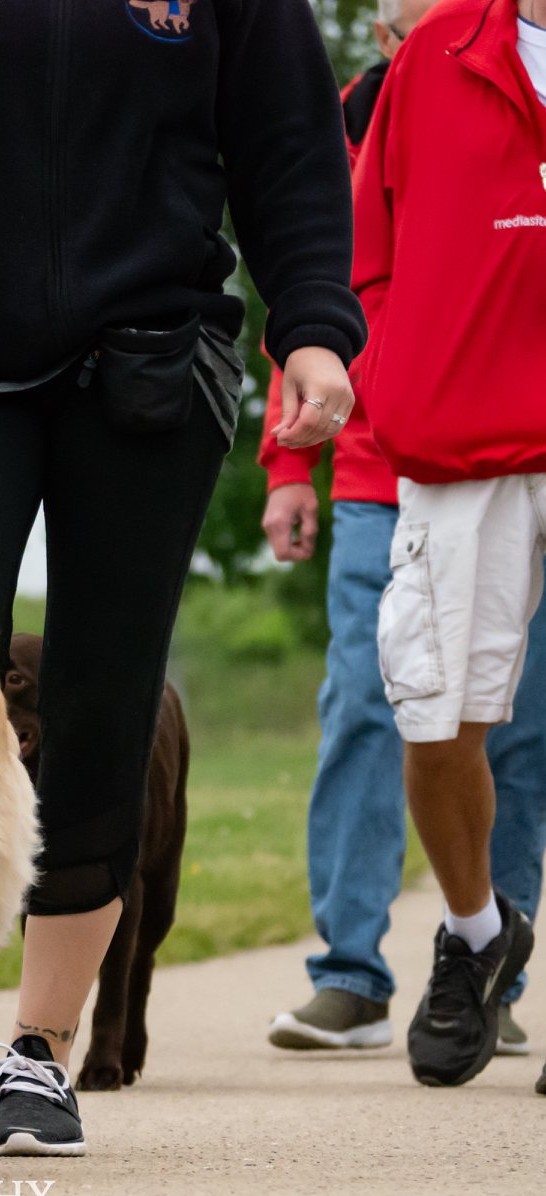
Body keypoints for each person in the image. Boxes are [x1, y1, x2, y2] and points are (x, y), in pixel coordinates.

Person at [0, 0, 363, 1154]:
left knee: (105, 698)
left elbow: (289, 145)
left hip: (153, 354)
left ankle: (41, 1050)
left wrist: (312, 327)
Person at [261, 0, 546, 1057]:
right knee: (398, 709)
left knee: (527, 732)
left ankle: (494, 979)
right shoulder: (416, 74)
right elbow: (335, 274)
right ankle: (386, 958)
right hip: (424, 447)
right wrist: (305, 452)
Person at [350, 0, 546, 1092]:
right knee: (434, 720)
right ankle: (476, 931)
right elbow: (364, 248)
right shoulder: (436, 52)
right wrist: (394, 373)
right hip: (462, 433)